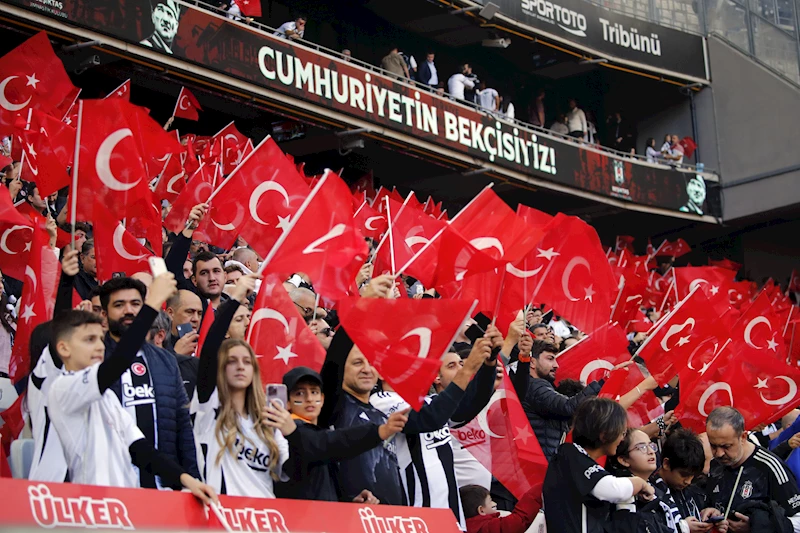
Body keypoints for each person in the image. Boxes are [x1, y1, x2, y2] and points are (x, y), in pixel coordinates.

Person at [47, 272, 214, 503]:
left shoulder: (108, 398)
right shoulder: (63, 388)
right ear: (64, 349)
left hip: (130, 502)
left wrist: (188, 480)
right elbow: (118, 361)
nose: (98, 346)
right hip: (92, 504)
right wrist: (152, 303)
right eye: (89, 340)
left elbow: (141, 449)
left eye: (98, 339)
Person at [370, 330, 501, 523]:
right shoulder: (381, 402)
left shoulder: (429, 401)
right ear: (381, 372)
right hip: (416, 517)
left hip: (450, 516)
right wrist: (467, 369)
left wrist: (489, 363)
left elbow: (468, 405)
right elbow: (429, 419)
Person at [192, 273, 290, 497]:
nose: (240, 366)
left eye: (247, 362)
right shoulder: (208, 407)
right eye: (231, 361)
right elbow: (209, 350)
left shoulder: (267, 420)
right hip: (222, 518)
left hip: (265, 520)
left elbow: (291, 472)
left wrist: (292, 433)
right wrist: (234, 298)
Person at [98, 276, 200, 487]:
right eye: (119, 305)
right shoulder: (95, 359)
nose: (129, 310)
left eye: (136, 304)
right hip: (110, 484)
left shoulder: (165, 360)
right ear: (104, 316)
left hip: (163, 485)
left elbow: (182, 422)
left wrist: (191, 477)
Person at [317, 274, 406, 504]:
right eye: (357, 363)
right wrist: (362, 306)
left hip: (395, 521)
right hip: (352, 518)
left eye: (371, 362)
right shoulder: (335, 405)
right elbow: (335, 359)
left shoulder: (382, 412)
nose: (367, 369)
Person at [272, 366, 409, 501]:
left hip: (326, 519)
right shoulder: (283, 433)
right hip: (299, 520)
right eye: (299, 393)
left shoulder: (320, 435)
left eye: (314, 392)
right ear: (287, 403)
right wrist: (380, 431)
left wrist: (348, 502)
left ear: (323, 399)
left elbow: (320, 486)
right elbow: (322, 446)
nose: (309, 399)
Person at [543, 398, 656, 533]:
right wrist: (640, 483)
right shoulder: (569, 453)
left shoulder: (581, 459)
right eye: (622, 432)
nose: (622, 438)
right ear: (604, 435)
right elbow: (612, 489)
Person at [512, 339, 622, 461]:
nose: (556, 365)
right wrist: (604, 381)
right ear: (532, 362)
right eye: (550, 359)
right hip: (536, 465)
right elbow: (569, 407)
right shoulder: (536, 386)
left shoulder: (537, 386)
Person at [703, 406, 800, 531]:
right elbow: (710, 503)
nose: (719, 453)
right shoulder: (716, 465)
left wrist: (757, 527)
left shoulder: (770, 467)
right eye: (713, 446)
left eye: (726, 446)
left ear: (743, 437)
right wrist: (710, 512)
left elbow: (797, 520)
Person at [609, 429, 685, 533]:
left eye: (651, 445)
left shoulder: (657, 488)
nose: (651, 451)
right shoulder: (622, 492)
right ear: (624, 460)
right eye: (642, 447)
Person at [165, 204, 226, 310]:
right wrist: (190, 227)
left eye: (216, 271)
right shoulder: (192, 304)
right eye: (204, 273)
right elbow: (172, 267)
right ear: (194, 280)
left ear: (225, 276)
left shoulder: (237, 307)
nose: (211, 278)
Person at [651, 429, 710, 531]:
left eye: (693, 476)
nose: (688, 481)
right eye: (684, 475)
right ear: (666, 464)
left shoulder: (694, 490)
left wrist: (709, 514)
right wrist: (683, 528)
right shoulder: (649, 494)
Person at [460, 483, 542, 533]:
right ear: (481, 510)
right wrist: (535, 494)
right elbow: (519, 520)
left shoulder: (463, 527)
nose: (494, 503)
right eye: (490, 501)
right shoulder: (488, 528)